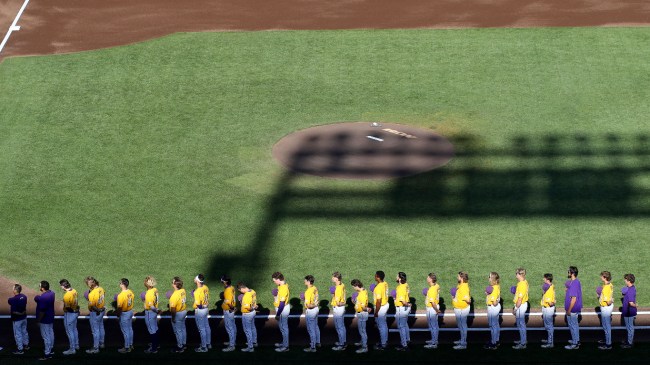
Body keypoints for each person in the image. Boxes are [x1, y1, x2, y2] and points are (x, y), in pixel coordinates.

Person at [35, 280, 55, 360]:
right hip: (50, 317)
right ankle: (51, 349)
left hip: (45, 320)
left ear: (42, 288)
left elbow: (42, 311)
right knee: (50, 334)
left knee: (46, 337)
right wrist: (38, 298)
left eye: (40, 286)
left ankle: (47, 354)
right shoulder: (52, 293)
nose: (39, 287)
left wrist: (38, 320)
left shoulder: (43, 298)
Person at [85, 276, 106, 354]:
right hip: (102, 310)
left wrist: (98, 310)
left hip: (95, 312)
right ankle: (102, 343)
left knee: (95, 330)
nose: (87, 285)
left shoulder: (92, 293)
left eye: (88, 283)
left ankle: (95, 348)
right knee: (101, 327)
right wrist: (101, 309)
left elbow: (92, 306)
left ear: (92, 283)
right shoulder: (101, 288)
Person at [60, 279, 79, 355]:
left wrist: (73, 311)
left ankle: (72, 349)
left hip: (70, 314)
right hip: (75, 312)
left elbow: (68, 308)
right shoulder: (74, 290)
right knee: (74, 329)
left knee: (69, 331)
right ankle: (76, 345)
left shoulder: (67, 295)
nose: (60, 287)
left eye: (61, 286)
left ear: (63, 286)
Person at [564, 266, 582, 350]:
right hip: (574, 309)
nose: (568, 273)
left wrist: (569, 310)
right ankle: (576, 340)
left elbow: (574, 299)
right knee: (574, 325)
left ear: (572, 273)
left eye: (569, 271)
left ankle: (575, 344)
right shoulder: (575, 282)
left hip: (572, 309)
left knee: (573, 326)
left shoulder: (574, 284)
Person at [8, 284, 29, 355]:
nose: (12, 289)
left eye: (13, 288)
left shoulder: (12, 300)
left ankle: (20, 349)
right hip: (24, 318)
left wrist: (20, 314)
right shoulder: (24, 296)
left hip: (17, 320)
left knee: (18, 334)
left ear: (15, 290)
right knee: (24, 331)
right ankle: (26, 345)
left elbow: (14, 311)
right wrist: (23, 313)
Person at [452, 271, 470, 350]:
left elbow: (468, 300)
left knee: (462, 326)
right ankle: (462, 340)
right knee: (461, 326)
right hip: (459, 309)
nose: (457, 277)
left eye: (458, 276)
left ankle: (463, 344)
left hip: (462, 310)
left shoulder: (464, 288)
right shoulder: (461, 285)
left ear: (462, 278)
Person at [272, 272, 290, 352]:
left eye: (274, 280)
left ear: (278, 280)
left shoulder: (283, 288)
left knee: (284, 328)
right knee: (282, 327)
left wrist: (278, 314)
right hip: (282, 308)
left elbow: (282, 304)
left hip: (282, 310)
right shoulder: (282, 285)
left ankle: (286, 347)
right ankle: (284, 343)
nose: (274, 282)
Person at [116, 278, 135, 353]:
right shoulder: (130, 292)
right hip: (130, 311)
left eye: (120, 283)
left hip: (124, 314)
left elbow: (119, 308)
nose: (119, 284)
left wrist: (118, 316)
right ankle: (130, 344)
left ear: (122, 284)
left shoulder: (121, 295)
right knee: (130, 329)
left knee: (125, 331)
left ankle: (127, 348)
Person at [193, 274, 211, 353]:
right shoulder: (205, 287)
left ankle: (204, 347)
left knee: (202, 329)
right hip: (206, 310)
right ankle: (208, 343)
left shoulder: (197, 292)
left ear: (197, 281)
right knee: (206, 326)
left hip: (200, 311)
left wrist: (203, 305)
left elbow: (199, 306)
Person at [238, 282, 258, 352]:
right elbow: (254, 304)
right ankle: (254, 342)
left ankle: (250, 347)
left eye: (240, 290)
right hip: (253, 313)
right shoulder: (253, 291)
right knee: (252, 327)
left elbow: (248, 308)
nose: (240, 292)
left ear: (242, 289)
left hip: (247, 314)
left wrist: (252, 307)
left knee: (247, 330)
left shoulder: (246, 296)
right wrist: (255, 307)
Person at [170, 276, 188, 353]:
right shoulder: (183, 290)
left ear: (175, 285)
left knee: (178, 331)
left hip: (177, 314)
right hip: (183, 311)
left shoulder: (174, 296)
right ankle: (184, 344)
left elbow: (173, 309)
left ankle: (180, 347)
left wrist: (173, 318)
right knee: (183, 328)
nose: (172, 283)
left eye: (172, 282)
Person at [143, 276, 160, 354]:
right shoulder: (155, 290)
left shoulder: (149, 293)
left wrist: (156, 311)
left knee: (152, 330)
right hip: (153, 313)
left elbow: (152, 306)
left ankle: (153, 348)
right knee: (155, 328)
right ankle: (156, 344)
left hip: (150, 312)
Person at [303, 275, 320, 352]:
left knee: (311, 329)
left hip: (311, 311)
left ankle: (313, 347)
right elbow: (315, 297)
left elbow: (309, 306)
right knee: (316, 326)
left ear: (308, 282)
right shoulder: (315, 288)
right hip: (316, 309)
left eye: (305, 280)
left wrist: (307, 302)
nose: (304, 281)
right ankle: (318, 342)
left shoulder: (308, 292)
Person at [512, 268, 529, 350]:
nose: (516, 275)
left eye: (516, 273)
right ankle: (523, 340)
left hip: (520, 306)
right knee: (520, 324)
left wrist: (515, 308)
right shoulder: (523, 282)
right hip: (522, 305)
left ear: (520, 274)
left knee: (521, 324)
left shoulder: (522, 284)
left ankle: (523, 343)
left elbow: (520, 299)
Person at [373, 270, 389, 350]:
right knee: (384, 325)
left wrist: (376, 312)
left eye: (375, 275)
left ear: (378, 277)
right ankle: (384, 341)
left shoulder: (378, 288)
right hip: (385, 305)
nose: (374, 276)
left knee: (381, 326)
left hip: (381, 308)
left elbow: (378, 301)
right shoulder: (384, 283)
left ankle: (383, 344)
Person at [351, 279, 369, 353]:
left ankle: (364, 347)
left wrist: (368, 309)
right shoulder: (363, 291)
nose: (353, 288)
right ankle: (362, 342)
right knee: (362, 330)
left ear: (356, 286)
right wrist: (355, 302)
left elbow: (364, 307)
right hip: (361, 313)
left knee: (362, 331)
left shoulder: (362, 294)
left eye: (353, 286)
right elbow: (360, 303)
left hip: (362, 314)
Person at [394, 272, 411, 351]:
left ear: (400, 278)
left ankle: (404, 345)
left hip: (402, 308)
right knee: (405, 325)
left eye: (397, 276)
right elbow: (408, 294)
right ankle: (407, 340)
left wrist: (407, 304)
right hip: (405, 309)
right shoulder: (406, 285)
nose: (396, 277)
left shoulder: (401, 288)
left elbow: (403, 301)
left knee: (401, 327)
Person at [424, 273, 441, 350]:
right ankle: (434, 340)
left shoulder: (432, 290)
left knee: (432, 326)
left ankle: (434, 343)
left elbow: (432, 302)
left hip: (432, 309)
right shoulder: (436, 286)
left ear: (431, 279)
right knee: (435, 326)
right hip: (434, 307)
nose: (427, 278)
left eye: (428, 277)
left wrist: (437, 310)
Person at [598, 271, 614, 350]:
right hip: (607, 308)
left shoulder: (606, 288)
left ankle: (608, 344)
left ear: (605, 277)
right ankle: (607, 340)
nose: (601, 277)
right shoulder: (610, 284)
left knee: (606, 326)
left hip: (606, 309)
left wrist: (611, 301)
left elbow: (608, 302)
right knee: (605, 325)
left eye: (602, 276)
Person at [484, 272, 500, 350]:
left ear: (493, 278)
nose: (488, 278)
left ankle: (493, 343)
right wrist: (488, 294)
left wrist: (496, 300)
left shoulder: (494, 288)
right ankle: (496, 340)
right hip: (495, 308)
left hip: (492, 308)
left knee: (492, 326)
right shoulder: (496, 286)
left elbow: (494, 303)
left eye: (489, 277)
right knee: (496, 325)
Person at [220, 275, 237, 352]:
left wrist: (232, 308)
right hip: (230, 310)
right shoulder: (231, 287)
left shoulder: (228, 290)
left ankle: (231, 346)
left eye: (222, 281)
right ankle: (232, 341)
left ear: (225, 282)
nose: (222, 282)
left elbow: (229, 303)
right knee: (232, 327)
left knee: (230, 328)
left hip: (228, 311)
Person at [331, 272, 347, 351]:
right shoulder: (342, 284)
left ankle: (341, 345)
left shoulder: (338, 289)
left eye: (333, 277)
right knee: (341, 326)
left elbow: (338, 303)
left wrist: (334, 294)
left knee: (339, 327)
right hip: (341, 308)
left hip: (338, 309)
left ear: (336, 279)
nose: (332, 278)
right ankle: (343, 341)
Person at [621, 273, 637, 349]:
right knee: (628, 327)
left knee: (630, 327)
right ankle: (628, 340)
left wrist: (636, 305)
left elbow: (631, 303)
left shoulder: (630, 291)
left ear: (628, 281)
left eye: (625, 279)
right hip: (627, 311)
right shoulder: (630, 288)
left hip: (629, 311)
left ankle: (630, 343)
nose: (624, 280)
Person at [540, 273, 556, 349]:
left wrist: (552, 302)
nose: (543, 279)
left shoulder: (549, 289)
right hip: (546, 308)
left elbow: (550, 303)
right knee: (547, 326)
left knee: (549, 326)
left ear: (548, 279)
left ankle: (550, 343)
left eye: (544, 278)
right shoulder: (550, 286)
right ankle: (549, 340)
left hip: (548, 309)